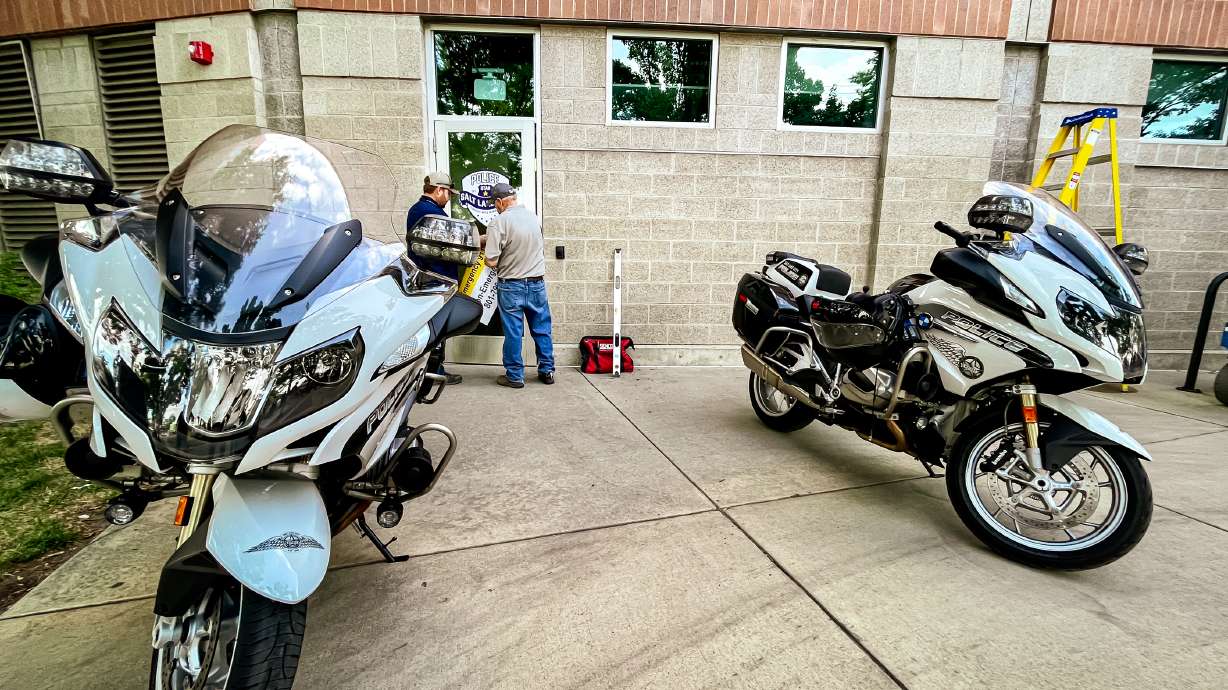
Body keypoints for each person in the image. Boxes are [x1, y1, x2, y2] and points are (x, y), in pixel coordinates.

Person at [483, 182, 554, 388]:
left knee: (514, 332)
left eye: (494, 204)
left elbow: (491, 261)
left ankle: (515, 376)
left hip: (511, 286)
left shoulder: (499, 222)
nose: (494, 208)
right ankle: (547, 370)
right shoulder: (533, 218)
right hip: (537, 284)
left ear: (499, 202)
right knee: (541, 329)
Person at [406, 171, 463, 385]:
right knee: (437, 328)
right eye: (448, 193)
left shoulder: (417, 209)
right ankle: (435, 371)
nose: (449, 198)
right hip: (437, 279)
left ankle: (429, 370)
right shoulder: (433, 213)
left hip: (425, 277)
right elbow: (451, 247)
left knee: (429, 326)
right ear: (439, 189)